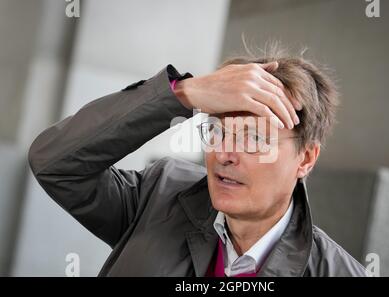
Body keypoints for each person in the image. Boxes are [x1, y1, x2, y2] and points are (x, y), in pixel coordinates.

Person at [28, 44, 366, 277]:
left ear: (305, 158)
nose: (224, 154)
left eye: (253, 138)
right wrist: (182, 93)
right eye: (218, 131)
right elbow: (56, 163)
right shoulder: (157, 197)